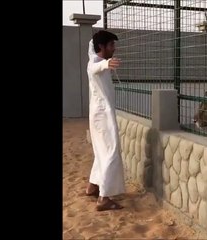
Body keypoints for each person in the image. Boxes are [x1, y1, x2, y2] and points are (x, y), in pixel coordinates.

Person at [85, 30, 125, 211]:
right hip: (102, 116)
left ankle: (93, 186)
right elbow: (95, 67)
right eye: (111, 45)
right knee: (111, 151)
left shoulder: (97, 60)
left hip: (99, 115)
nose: (114, 49)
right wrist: (106, 64)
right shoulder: (96, 63)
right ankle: (104, 198)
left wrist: (105, 63)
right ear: (101, 47)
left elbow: (93, 55)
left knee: (102, 151)